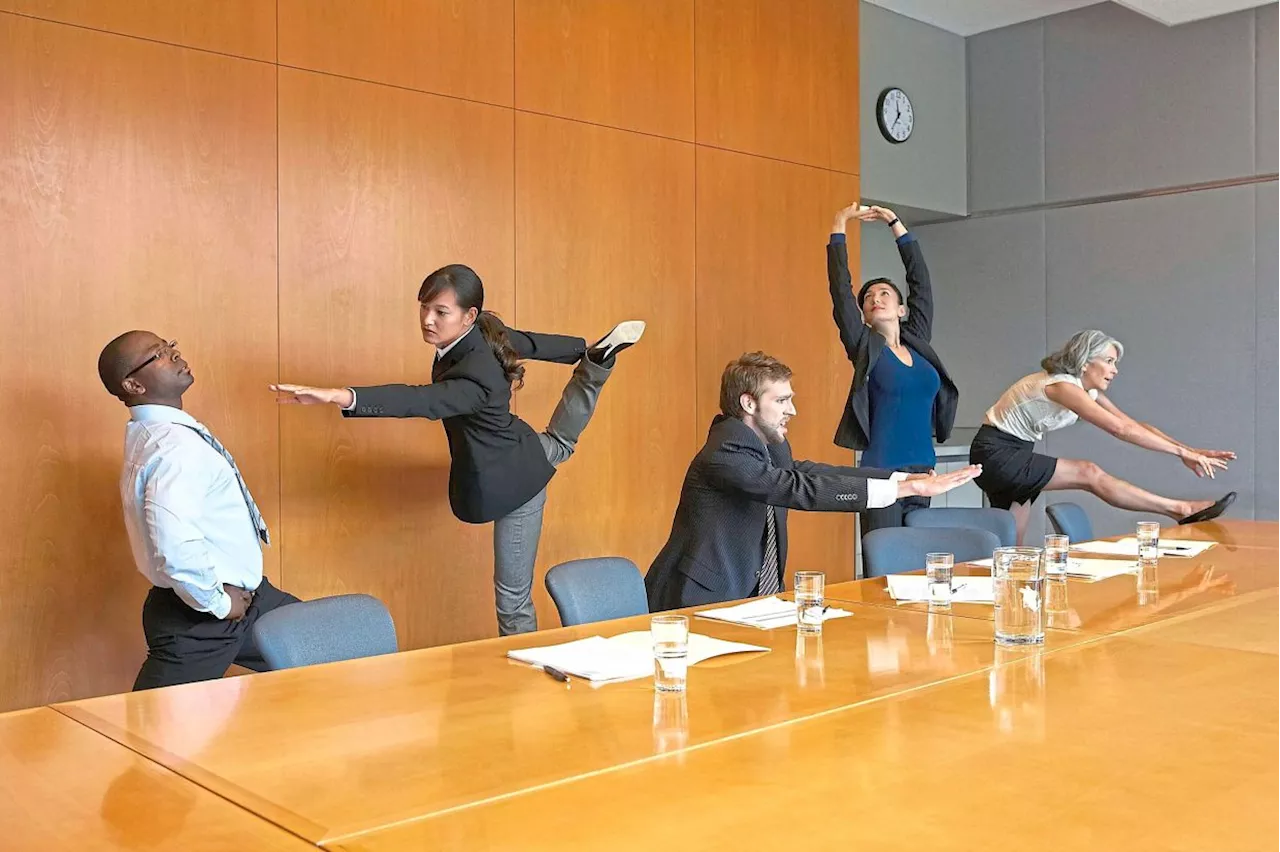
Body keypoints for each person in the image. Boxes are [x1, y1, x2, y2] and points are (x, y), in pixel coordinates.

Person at [272, 263, 643, 635]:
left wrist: (343, 396)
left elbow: (420, 400)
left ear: (469, 316)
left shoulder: (475, 376)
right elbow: (527, 342)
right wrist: (581, 348)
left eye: (440, 312)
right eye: (424, 307)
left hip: (516, 485)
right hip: (518, 446)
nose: (428, 320)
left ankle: (527, 686)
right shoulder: (484, 331)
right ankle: (597, 360)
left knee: (512, 600)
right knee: (558, 443)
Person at [645, 352, 980, 611]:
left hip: (745, 601)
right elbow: (795, 489)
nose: (793, 410)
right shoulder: (725, 451)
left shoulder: (766, 443)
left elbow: (809, 473)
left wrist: (906, 478)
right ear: (748, 403)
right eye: (781, 400)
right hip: (696, 602)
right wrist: (904, 490)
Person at [97, 331, 300, 690]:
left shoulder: (158, 432)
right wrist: (220, 604)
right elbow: (175, 547)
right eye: (157, 354)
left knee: (336, 653)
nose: (174, 355)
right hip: (203, 614)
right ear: (133, 384)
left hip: (246, 600)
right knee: (153, 736)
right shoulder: (172, 447)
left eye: (169, 346)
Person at [969, 330, 1237, 543]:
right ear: (1085, 363)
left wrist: (1189, 450)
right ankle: (1180, 510)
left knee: (1009, 551)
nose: (1115, 370)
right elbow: (1120, 431)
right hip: (997, 453)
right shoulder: (1061, 386)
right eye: (1109, 361)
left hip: (1016, 451)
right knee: (1089, 473)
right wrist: (1182, 454)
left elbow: (1131, 424)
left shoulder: (1085, 391)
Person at [827, 203, 959, 538]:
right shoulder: (865, 348)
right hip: (881, 473)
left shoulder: (919, 343)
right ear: (865, 315)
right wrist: (840, 225)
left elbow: (921, 284)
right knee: (883, 563)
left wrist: (895, 225)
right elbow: (841, 291)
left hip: (923, 470)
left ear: (901, 309)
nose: (876, 298)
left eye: (885, 293)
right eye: (869, 297)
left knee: (915, 565)